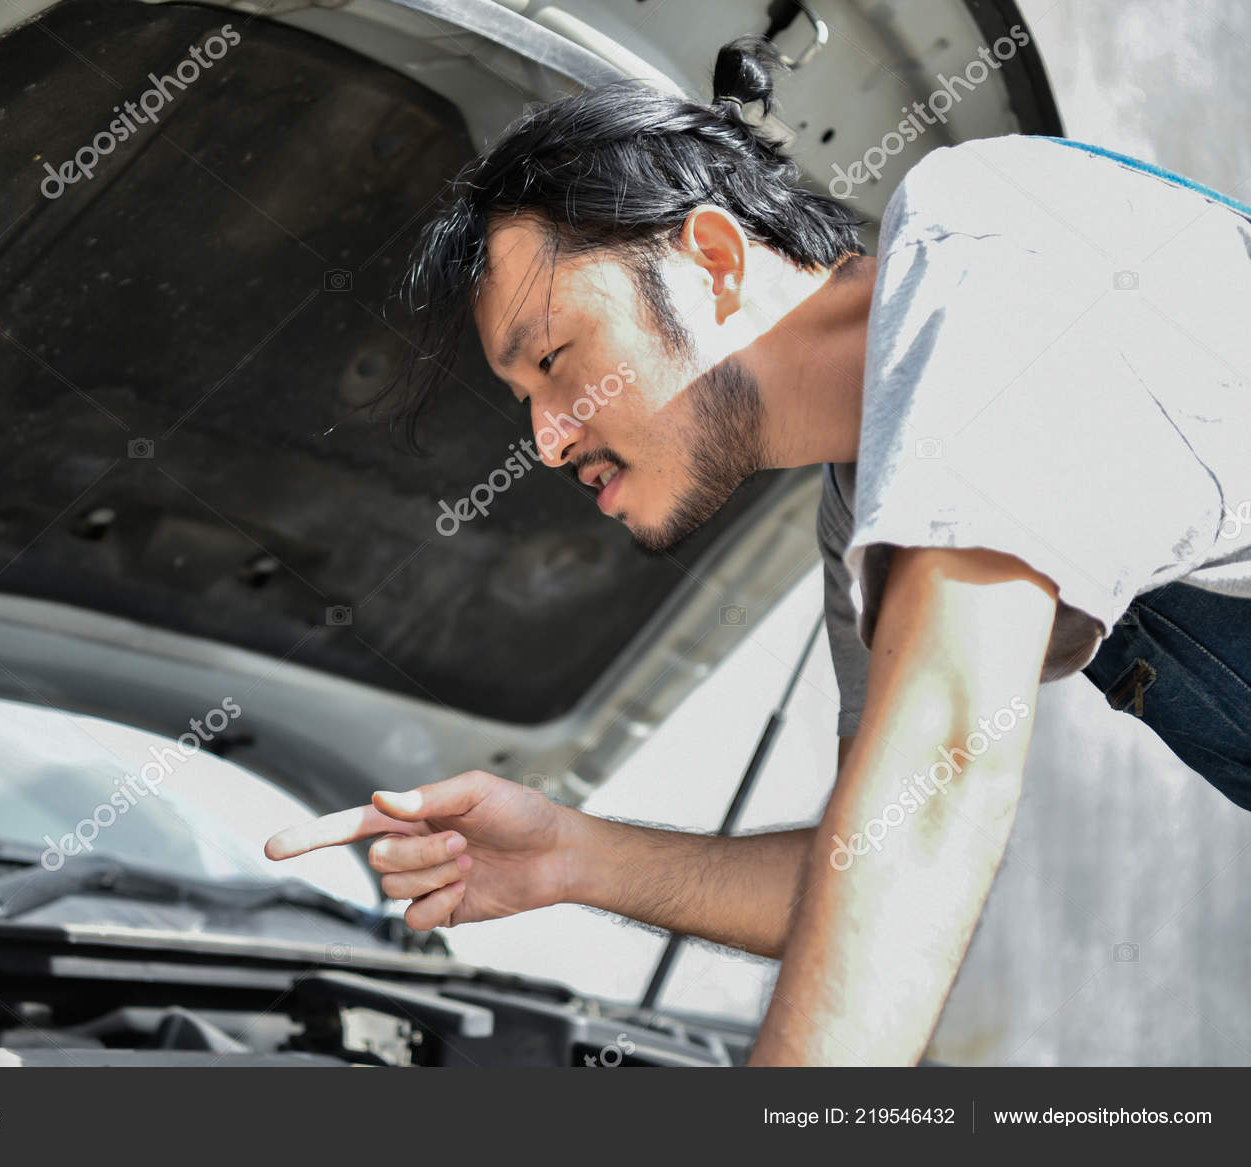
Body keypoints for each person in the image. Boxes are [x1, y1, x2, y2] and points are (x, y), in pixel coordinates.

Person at [265, 36, 1251, 1065]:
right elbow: (866, 866)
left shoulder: (989, 249)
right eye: (524, 402)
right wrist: (574, 855)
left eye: (554, 361)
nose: (547, 438)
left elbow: (940, 779)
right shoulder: (869, 503)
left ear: (716, 262)